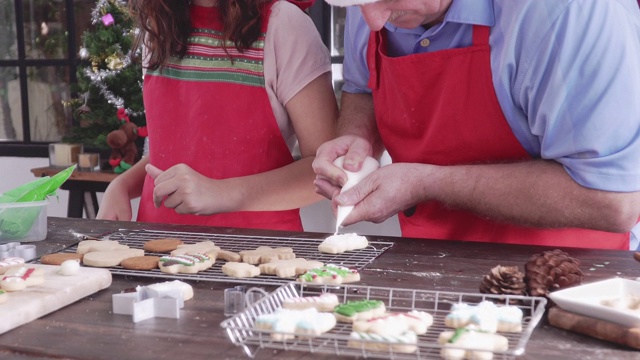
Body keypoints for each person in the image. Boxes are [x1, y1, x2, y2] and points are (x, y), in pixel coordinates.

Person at [313, 0, 640, 249]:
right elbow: (361, 88)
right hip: (431, 261)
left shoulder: (567, 13)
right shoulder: (373, 9)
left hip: (570, 280)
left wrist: (426, 183)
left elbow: (613, 201)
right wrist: (357, 135)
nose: (373, 19)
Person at [97, 0, 338, 232]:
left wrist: (219, 193)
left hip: (256, 255)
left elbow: (328, 168)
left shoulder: (285, 24)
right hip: (157, 245)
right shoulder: (159, 27)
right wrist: (123, 185)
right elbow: (175, 150)